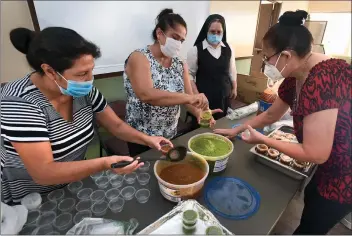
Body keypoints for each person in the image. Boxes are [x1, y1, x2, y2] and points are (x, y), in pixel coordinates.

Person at [215, 10, 351, 235]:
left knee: (313, 225)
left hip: (344, 176)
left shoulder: (323, 78)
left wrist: (262, 139)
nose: (265, 63)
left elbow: (316, 153)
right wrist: (237, 128)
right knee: (312, 203)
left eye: (266, 57)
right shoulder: (295, 76)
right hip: (326, 168)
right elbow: (271, 115)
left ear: (286, 55)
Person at [1, 27, 172, 205]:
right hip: (31, 200)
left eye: (91, 70)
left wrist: (147, 139)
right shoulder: (19, 102)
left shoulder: (83, 91)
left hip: (72, 186)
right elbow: (43, 172)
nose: (90, 79)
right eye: (82, 74)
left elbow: (117, 126)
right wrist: (104, 163)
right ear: (50, 71)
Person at [124, 9, 220, 156]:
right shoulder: (140, 57)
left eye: (181, 40)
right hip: (142, 137)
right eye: (175, 37)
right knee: (146, 175)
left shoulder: (179, 63)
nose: (178, 44)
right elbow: (146, 94)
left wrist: (198, 111)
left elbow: (188, 98)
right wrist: (191, 98)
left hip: (170, 134)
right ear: (159, 34)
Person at [187, 14, 237, 122]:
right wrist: (197, 95)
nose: (216, 35)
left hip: (224, 95)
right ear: (206, 31)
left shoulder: (229, 48)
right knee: (205, 123)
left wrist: (234, 87)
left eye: (219, 32)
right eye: (212, 32)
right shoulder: (195, 50)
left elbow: (232, 70)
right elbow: (189, 75)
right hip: (205, 98)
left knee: (223, 122)